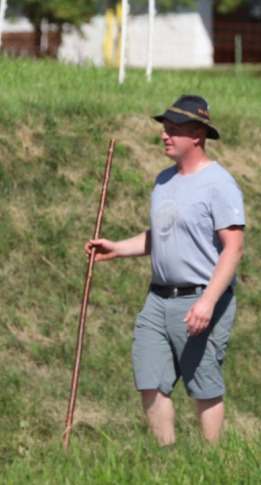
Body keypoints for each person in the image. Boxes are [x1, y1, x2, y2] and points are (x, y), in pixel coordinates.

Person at [86, 95, 245, 445]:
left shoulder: (219, 184)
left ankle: (213, 461)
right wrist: (118, 248)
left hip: (201, 299)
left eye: (174, 130)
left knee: (203, 383)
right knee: (149, 378)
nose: (165, 136)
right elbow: (162, 236)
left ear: (198, 135)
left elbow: (234, 248)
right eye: (164, 129)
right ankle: (167, 458)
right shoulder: (163, 181)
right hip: (157, 300)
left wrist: (207, 304)